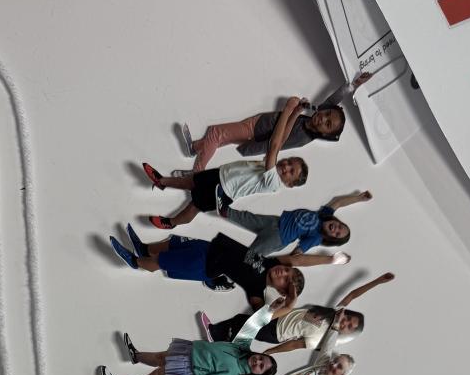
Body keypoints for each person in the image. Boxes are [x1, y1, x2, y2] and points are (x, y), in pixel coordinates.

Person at [140, 96, 310, 230]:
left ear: (289, 184)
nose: (286, 166)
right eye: (289, 162)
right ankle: (161, 181)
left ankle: (171, 223)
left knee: (194, 206)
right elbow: (281, 141)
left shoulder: (273, 182)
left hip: (223, 192)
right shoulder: (271, 167)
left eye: (291, 172)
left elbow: (274, 146)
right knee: (190, 181)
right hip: (220, 174)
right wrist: (296, 113)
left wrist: (287, 110)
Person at [108, 223, 349, 310]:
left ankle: (136, 262)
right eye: (287, 271)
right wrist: (329, 260)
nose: (283, 272)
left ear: (280, 290)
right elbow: (298, 260)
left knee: (163, 261)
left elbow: (261, 315)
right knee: (170, 245)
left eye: (285, 279)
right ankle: (143, 249)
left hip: (205, 265)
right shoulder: (272, 263)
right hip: (210, 248)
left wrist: (289, 304)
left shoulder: (256, 288)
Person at [181, 72, 373, 172]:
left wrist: (293, 111)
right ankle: (195, 148)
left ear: (324, 133)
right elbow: (333, 100)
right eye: (327, 114)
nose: (323, 118)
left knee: (216, 134)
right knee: (223, 139)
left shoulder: (304, 137)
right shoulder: (314, 115)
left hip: (256, 132)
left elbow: (278, 141)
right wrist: (353, 85)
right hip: (258, 123)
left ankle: (196, 177)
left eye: (327, 124)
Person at [202, 271, 394, 349]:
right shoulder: (332, 313)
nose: (346, 322)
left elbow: (294, 345)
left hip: (275, 333)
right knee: (245, 321)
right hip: (278, 316)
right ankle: (223, 341)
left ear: (346, 333)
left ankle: (214, 334)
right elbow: (352, 295)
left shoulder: (324, 338)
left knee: (241, 321)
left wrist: (272, 352)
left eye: (349, 326)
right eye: (349, 319)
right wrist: (377, 281)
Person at [97, 330, 277, 375]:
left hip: (188, 368)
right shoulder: (241, 349)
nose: (258, 361)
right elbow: (250, 327)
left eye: (261, 366)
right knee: (161, 357)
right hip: (190, 352)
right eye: (261, 358)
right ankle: (136, 356)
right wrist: (270, 309)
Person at [225, 190, 373, 260]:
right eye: (340, 226)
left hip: (278, 238)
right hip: (275, 221)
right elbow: (338, 202)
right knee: (246, 217)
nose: (336, 229)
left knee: (249, 257)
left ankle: (229, 274)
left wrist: (291, 259)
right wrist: (359, 198)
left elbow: (298, 252)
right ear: (337, 220)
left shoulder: (317, 238)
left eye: (337, 234)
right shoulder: (323, 214)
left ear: (331, 238)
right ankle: (224, 210)